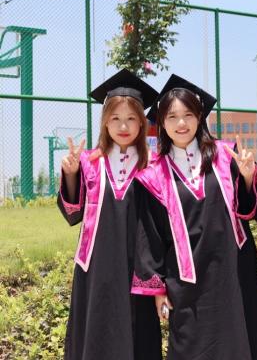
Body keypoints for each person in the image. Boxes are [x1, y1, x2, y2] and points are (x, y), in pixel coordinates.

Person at [131, 74, 257, 360]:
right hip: (186, 278)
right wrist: (157, 288)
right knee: (192, 344)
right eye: (172, 117)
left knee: (239, 341)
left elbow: (250, 209)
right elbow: (150, 234)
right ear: (162, 122)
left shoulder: (226, 155)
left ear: (199, 117)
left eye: (188, 115)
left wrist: (247, 177)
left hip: (233, 269)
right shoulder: (153, 174)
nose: (181, 123)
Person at [57, 69, 162, 360]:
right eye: (115, 118)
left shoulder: (153, 165)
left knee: (138, 334)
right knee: (97, 330)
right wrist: (71, 175)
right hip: (96, 267)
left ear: (141, 122)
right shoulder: (89, 162)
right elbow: (73, 213)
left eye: (131, 118)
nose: (123, 126)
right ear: (105, 121)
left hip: (138, 266)